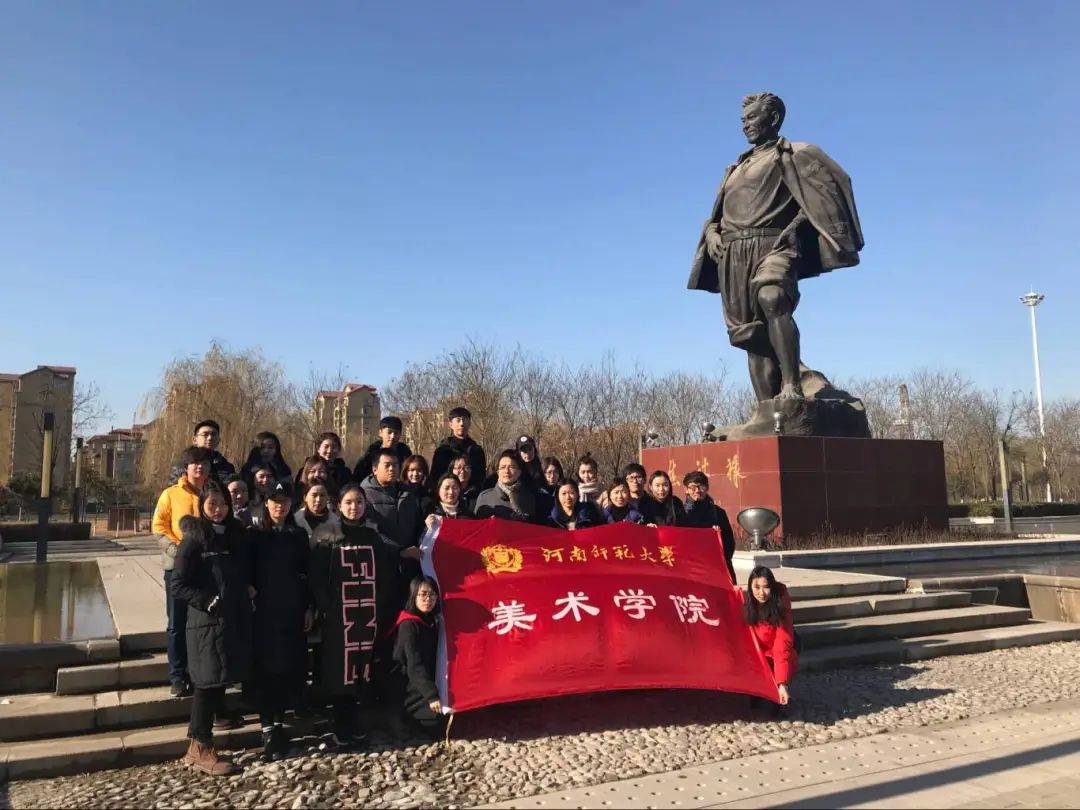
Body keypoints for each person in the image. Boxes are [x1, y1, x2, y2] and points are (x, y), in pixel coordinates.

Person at [310, 484, 420, 745]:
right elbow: (316, 576)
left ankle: (355, 721)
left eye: (359, 502)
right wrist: (326, 607)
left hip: (367, 615)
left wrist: (378, 605)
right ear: (338, 505)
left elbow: (385, 575)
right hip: (339, 617)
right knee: (340, 670)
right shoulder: (326, 535)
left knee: (362, 668)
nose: (354, 507)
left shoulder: (373, 536)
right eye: (349, 502)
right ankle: (341, 725)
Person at [171, 482, 252, 776]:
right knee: (206, 684)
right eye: (212, 504)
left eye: (223, 504)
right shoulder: (194, 539)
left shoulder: (232, 536)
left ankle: (203, 742)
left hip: (230, 620)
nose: (218, 510)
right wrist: (208, 601)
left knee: (218, 681)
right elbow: (178, 584)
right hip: (205, 623)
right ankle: (199, 746)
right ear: (202, 506)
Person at [246, 481, 312, 761]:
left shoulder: (298, 535)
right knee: (266, 671)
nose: (279, 506)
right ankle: (267, 727)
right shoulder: (254, 535)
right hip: (263, 614)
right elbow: (246, 570)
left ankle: (279, 723)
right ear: (266, 503)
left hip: (292, 612)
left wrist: (308, 607)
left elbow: (306, 573)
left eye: (284, 501)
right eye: (274, 501)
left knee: (287, 669)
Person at [153, 446, 212, 698]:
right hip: (177, 567)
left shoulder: (212, 493)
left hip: (206, 567)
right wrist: (178, 552)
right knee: (176, 623)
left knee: (201, 622)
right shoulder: (171, 494)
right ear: (186, 468)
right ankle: (177, 676)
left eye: (204, 463)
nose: (200, 467)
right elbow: (159, 526)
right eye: (195, 463)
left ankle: (199, 673)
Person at [390, 576, 445, 736]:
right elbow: (415, 665)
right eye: (423, 594)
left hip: (424, 679)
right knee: (437, 723)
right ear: (413, 596)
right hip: (406, 683)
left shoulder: (433, 621)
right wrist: (431, 695)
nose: (428, 599)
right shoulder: (408, 625)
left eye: (432, 594)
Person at [743, 566, 797, 713]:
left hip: (776, 652)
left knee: (778, 669)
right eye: (756, 587)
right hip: (758, 652)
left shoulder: (781, 606)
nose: (761, 593)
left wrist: (782, 683)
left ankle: (778, 694)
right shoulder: (747, 604)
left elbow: (782, 646)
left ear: (772, 587)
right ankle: (757, 691)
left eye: (766, 587)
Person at [361, 449, 424, 551]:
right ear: (375, 469)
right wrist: (399, 551)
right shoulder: (365, 495)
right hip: (382, 556)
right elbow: (371, 531)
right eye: (387, 465)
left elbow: (416, 526)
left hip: (411, 555)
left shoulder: (407, 493)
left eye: (395, 465)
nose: (391, 469)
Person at [682, 470, 737, 584]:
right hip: (690, 569)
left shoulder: (718, 513)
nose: (697, 490)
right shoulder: (681, 513)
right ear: (686, 490)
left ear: (707, 488)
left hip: (716, 568)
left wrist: (721, 559)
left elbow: (729, 542)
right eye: (692, 487)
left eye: (701, 486)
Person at [475, 450, 538, 522]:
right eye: (502, 467)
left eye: (511, 467)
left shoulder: (528, 497)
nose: (506, 471)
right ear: (498, 472)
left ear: (519, 471)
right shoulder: (485, 497)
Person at [168, 419, 236, 486]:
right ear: (195, 440)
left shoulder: (226, 467)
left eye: (213, 434)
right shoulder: (183, 465)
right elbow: (173, 488)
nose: (210, 438)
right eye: (205, 434)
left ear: (218, 440)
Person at [430, 407, 486, 486]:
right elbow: (435, 478)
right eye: (458, 420)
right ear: (451, 424)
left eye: (465, 420)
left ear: (469, 423)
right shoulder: (443, 451)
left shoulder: (476, 451)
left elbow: (481, 478)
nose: (462, 424)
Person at [353, 416, 412, 481]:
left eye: (396, 433)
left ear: (400, 434)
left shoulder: (406, 456)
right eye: (389, 432)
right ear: (380, 433)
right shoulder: (369, 457)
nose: (393, 436)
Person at [294, 481, 340, 545]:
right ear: (305, 497)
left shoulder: (336, 521)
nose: (318, 500)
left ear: (327, 498)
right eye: (314, 495)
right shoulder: (295, 520)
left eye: (322, 495)